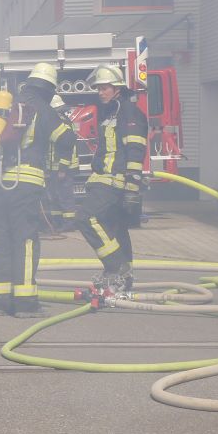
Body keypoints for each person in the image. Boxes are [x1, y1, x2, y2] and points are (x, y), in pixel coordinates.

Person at [0, 62, 58, 317]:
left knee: (2, 241)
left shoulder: (9, 105)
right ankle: (26, 303)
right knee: (26, 241)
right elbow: (65, 138)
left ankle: (1, 302)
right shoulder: (44, 109)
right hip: (26, 184)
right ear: (48, 88)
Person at [76, 64, 147, 296]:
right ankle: (123, 281)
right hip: (103, 179)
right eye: (98, 88)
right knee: (116, 229)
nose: (100, 92)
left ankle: (116, 266)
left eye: (105, 88)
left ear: (117, 88)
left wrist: (132, 186)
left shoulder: (130, 112)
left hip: (115, 182)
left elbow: (136, 149)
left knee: (85, 217)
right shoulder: (110, 112)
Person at [46, 93, 81, 234]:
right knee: (54, 196)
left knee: (65, 196)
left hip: (63, 167)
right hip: (54, 167)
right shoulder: (58, 122)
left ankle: (69, 223)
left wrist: (62, 168)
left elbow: (66, 148)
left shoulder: (62, 124)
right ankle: (57, 222)